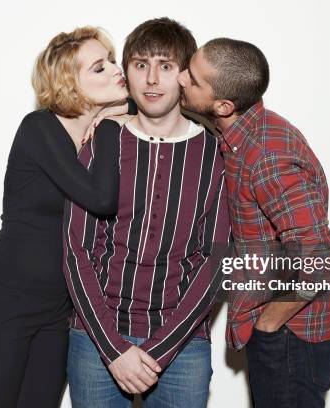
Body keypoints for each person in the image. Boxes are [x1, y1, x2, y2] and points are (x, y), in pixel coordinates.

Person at [63, 18, 230, 408]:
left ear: (186, 76)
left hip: (183, 343)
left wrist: (161, 348)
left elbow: (216, 260)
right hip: (95, 339)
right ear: (128, 73)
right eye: (141, 65)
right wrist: (113, 349)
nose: (152, 79)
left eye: (166, 66)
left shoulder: (215, 154)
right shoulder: (101, 142)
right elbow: (76, 250)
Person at [177, 38, 330, 407]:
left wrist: (269, 322)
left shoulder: (266, 156)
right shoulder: (243, 133)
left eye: (192, 78)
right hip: (285, 334)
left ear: (223, 105)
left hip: (292, 336)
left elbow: (318, 258)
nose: (179, 79)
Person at [0, 26, 129, 408]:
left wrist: (115, 115)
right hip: (9, 300)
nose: (114, 69)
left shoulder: (117, 123)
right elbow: (100, 198)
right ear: (69, 83)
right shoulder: (40, 127)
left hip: (62, 308)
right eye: (99, 68)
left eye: (111, 59)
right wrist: (108, 124)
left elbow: (168, 107)